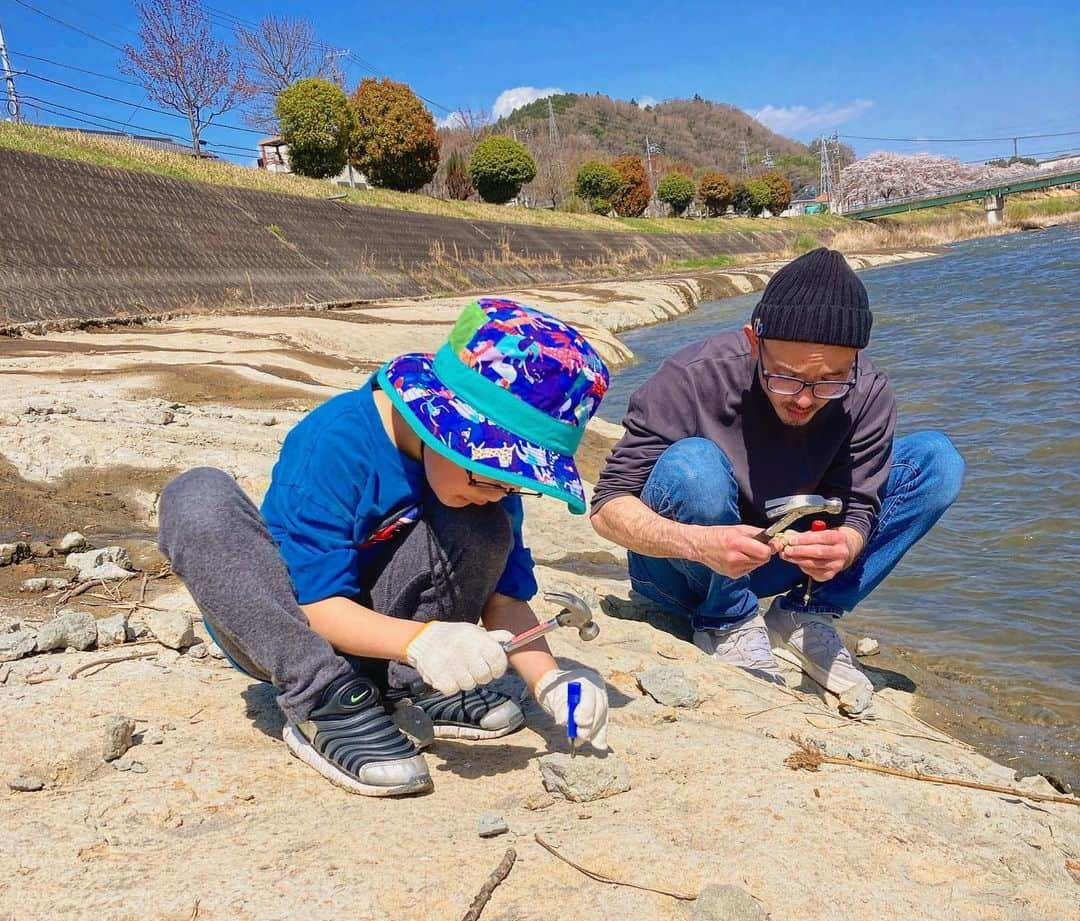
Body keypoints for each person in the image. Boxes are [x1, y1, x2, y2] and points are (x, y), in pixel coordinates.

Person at [159, 298, 611, 797]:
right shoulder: (336, 442)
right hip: (294, 626)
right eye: (491, 475)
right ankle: (324, 702)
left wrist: (548, 682)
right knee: (197, 498)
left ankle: (404, 685)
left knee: (485, 526)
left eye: (513, 485)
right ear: (443, 426)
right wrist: (424, 642)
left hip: (395, 637)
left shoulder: (485, 485)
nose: (497, 492)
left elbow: (503, 599)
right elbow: (313, 601)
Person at [590, 248, 964, 697]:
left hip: (775, 563)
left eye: (830, 380)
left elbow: (863, 503)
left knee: (936, 462)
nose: (805, 399)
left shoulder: (868, 391)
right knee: (695, 468)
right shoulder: (691, 376)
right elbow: (607, 507)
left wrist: (846, 545)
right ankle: (726, 621)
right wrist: (699, 543)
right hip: (682, 570)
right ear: (754, 342)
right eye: (785, 377)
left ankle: (806, 613)